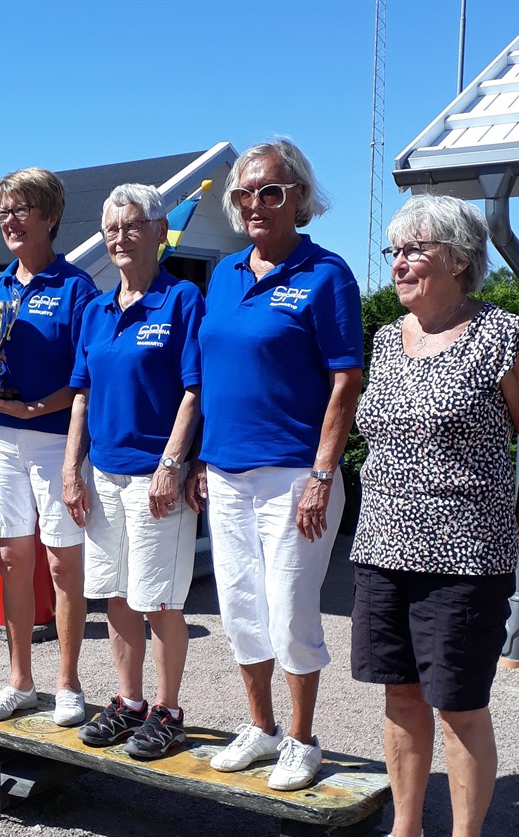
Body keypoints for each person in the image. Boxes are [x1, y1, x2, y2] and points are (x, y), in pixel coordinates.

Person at [338, 195, 519, 837]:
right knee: (399, 695)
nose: (398, 263)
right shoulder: (385, 339)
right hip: (381, 549)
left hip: (465, 560)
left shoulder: (499, 337)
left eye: (415, 249)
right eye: (393, 251)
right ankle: (405, 836)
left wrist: (513, 536)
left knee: (458, 706)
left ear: (459, 259)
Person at [187, 139, 363, 791]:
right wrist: (201, 458)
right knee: (239, 606)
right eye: (244, 193)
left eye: (271, 191)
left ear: (299, 199)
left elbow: (345, 382)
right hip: (226, 471)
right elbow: (213, 374)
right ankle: (260, 728)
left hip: (294, 475)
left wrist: (321, 475)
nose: (255, 203)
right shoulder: (225, 275)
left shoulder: (327, 274)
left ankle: (301, 738)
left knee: (289, 608)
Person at [63, 183, 204, 758]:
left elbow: (194, 391)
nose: (120, 237)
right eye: (111, 228)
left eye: (132, 225)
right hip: (104, 475)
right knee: (116, 594)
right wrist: (72, 468)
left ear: (158, 230)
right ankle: (129, 702)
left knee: (158, 600)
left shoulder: (182, 299)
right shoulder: (95, 310)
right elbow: (81, 395)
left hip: (154, 477)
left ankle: (169, 712)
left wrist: (172, 464)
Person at [0, 169, 98, 727]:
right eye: (3, 212)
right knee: (10, 560)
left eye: (21, 210)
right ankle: (19, 679)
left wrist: (37, 409)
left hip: (54, 440)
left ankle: (68, 683)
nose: (10, 221)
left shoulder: (77, 289)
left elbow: (87, 380)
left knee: (63, 563)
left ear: (50, 216)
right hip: (0, 437)